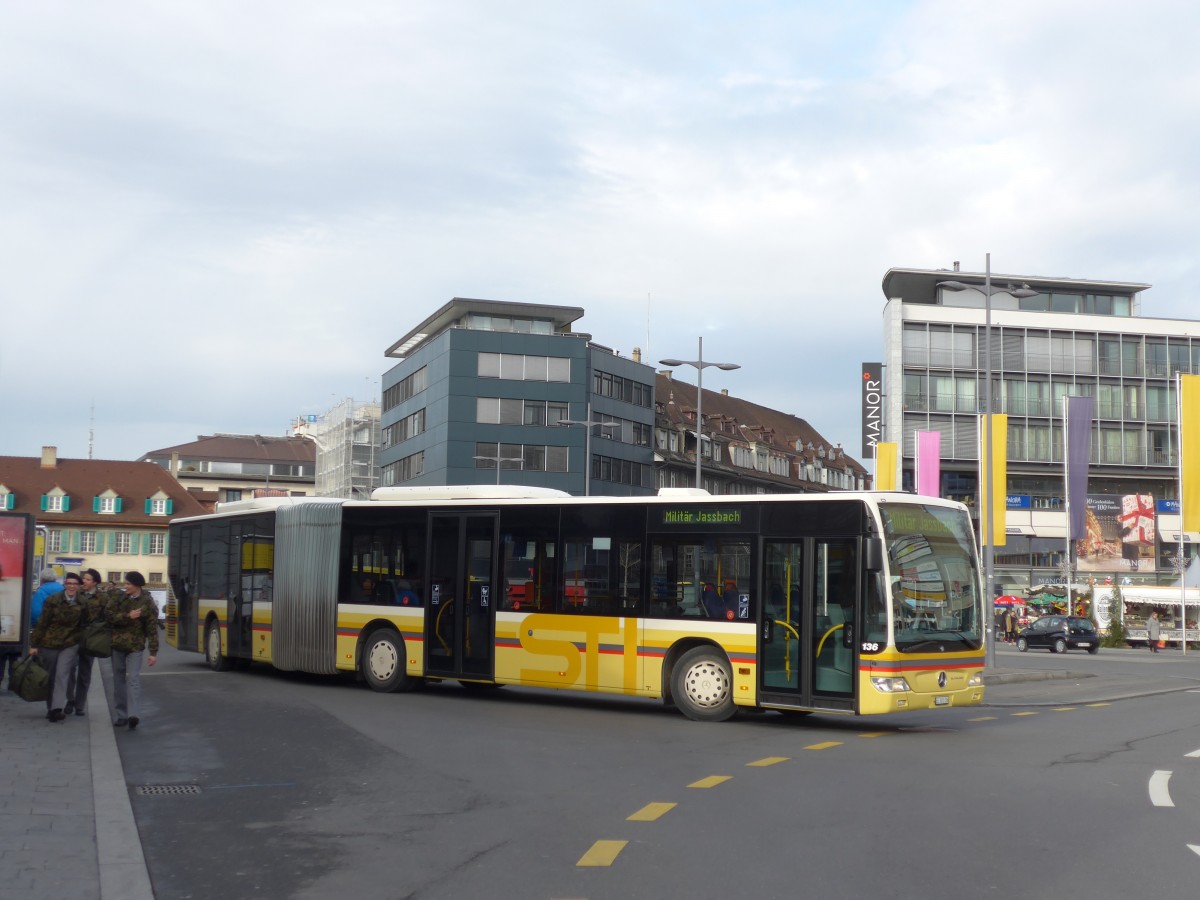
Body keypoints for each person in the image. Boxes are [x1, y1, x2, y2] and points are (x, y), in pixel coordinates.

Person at [29, 572, 85, 722]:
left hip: (70, 644)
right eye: (69, 583)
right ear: (65, 585)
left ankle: (57, 708)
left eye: (75, 584)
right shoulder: (53, 600)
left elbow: (86, 624)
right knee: (51, 676)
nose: (72, 586)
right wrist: (34, 644)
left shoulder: (83, 602)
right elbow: (42, 623)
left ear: (79, 586)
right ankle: (50, 708)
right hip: (50, 643)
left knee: (62, 674)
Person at [109, 571, 158, 729]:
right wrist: (127, 616)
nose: (125, 586)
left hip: (135, 647)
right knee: (119, 680)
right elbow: (108, 615)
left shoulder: (147, 603)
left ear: (137, 585)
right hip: (117, 645)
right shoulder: (118, 598)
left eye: (128, 584)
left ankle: (133, 715)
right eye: (125, 583)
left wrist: (153, 653)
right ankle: (121, 715)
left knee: (134, 679)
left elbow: (152, 629)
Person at [65, 569, 111, 716]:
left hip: (91, 639)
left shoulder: (103, 598)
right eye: (83, 579)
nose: (84, 581)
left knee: (85, 673)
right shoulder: (76, 595)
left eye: (87, 579)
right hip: (74, 637)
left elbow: (108, 618)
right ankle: (69, 700)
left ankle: (80, 704)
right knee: (69, 669)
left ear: (95, 582)